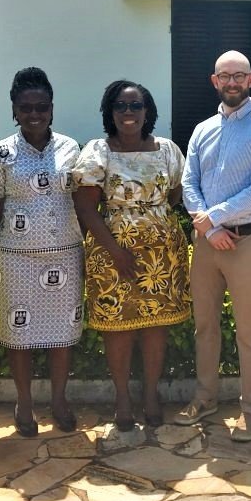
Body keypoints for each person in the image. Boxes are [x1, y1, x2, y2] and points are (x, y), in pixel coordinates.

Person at [175, 50, 251, 442]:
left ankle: (250, 410)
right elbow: (188, 183)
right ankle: (205, 397)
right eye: (225, 76)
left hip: (247, 241)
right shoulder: (202, 130)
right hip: (208, 244)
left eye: (239, 75)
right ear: (215, 81)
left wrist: (213, 219)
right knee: (205, 326)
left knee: (248, 331)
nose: (232, 82)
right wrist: (209, 230)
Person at [73, 80, 191, 430]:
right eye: (120, 106)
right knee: (117, 327)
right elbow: (85, 207)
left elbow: (176, 194)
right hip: (112, 254)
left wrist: (152, 226)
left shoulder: (167, 149)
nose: (128, 112)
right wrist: (116, 250)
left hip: (162, 257)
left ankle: (151, 394)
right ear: (110, 112)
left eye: (136, 106)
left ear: (147, 111)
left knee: (156, 326)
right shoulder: (98, 151)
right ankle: (123, 398)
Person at [0, 67, 83, 437]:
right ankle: (24, 402)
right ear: (14, 110)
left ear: (51, 108)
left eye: (41, 107)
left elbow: (80, 202)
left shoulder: (71, 148)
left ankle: (59, 400)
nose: (34, 114)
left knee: (63, 334)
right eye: (25, 108)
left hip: (65, 255)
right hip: (15, 260)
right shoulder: (1, 153)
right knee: (19, 335)